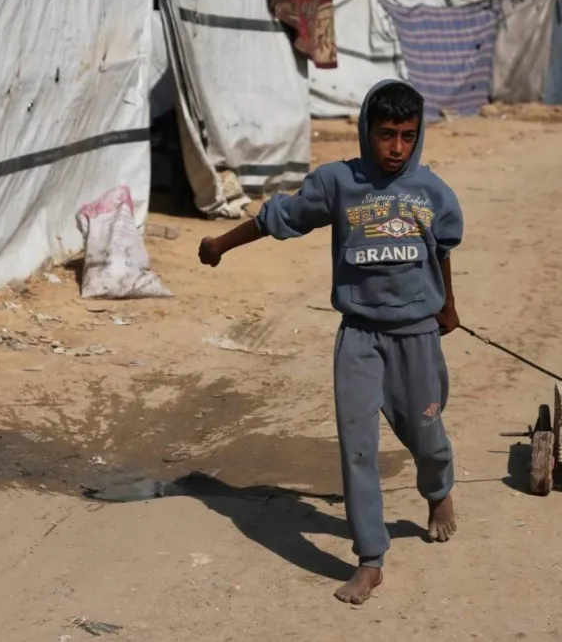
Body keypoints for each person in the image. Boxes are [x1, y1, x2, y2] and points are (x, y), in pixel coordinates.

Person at [198, 80, 462, 605]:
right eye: (386, 135)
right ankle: (370, 558)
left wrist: (448, 307)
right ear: (366, 131)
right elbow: (280, 218)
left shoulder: (433, 193)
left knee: (426, 433)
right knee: (357, 445)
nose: (396, 148)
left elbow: (443, 252)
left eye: (407, 136)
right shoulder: (339, 183)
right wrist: (220, 245)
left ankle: (438, 492)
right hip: (360, 337)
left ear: (419, 136)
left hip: (416, 335)